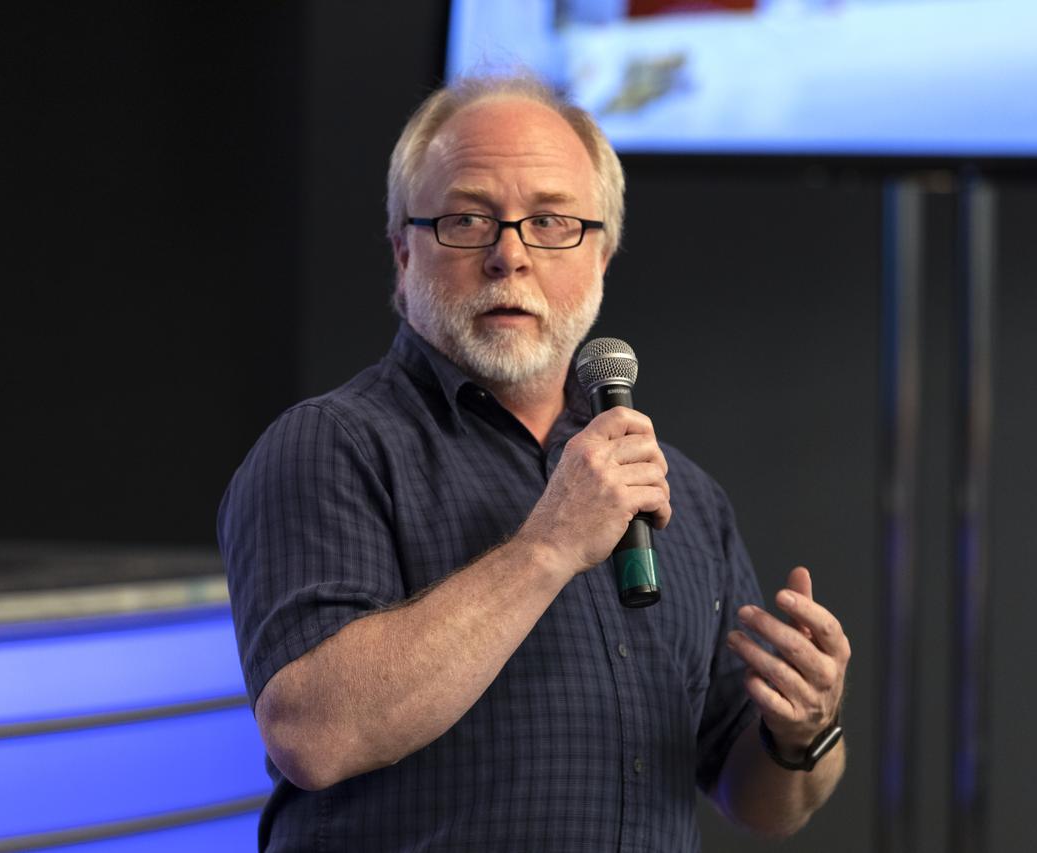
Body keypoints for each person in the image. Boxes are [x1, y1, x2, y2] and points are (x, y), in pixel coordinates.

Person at [219, 74, 850, 852]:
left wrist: (803, 733)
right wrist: (548, 546)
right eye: (467, 220)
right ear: (402, 250)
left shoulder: (680, 492)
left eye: (550, 221)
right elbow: (313, 733)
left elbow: (759, 799)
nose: (508, 256)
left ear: (602, 254)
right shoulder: (329, 448)